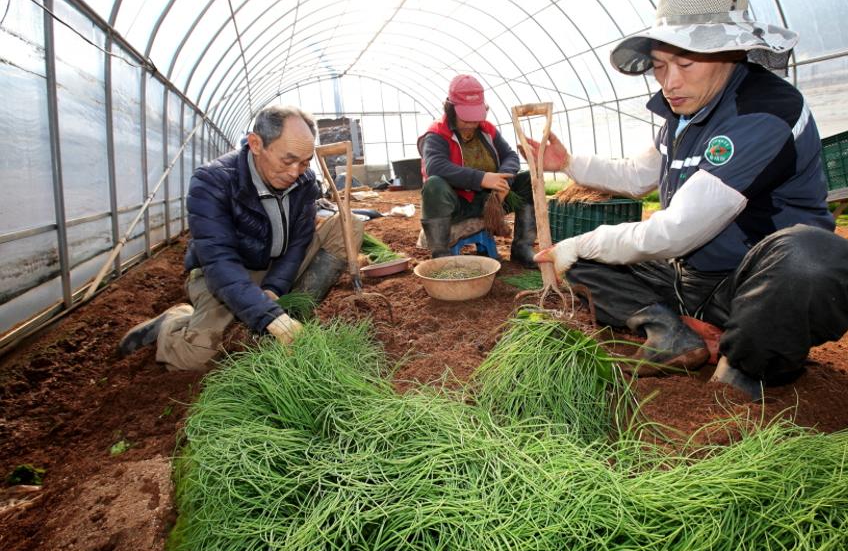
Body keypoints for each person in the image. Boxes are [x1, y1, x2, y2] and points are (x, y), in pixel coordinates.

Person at [526, 0, 848, 400]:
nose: (670, 82)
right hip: (687, 278)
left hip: (751, 287)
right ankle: (671, 332)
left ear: (729, 52)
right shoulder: (684, 115)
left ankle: (742, 368)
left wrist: (584, 241)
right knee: (581, 263)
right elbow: (638, 176)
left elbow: (677, 230)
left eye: (685, 63)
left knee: (813, 258)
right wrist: (568, 163)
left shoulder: (763, 112)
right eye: (659, 67)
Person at [117, 105, 363, 371]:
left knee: (350, 223)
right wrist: (268, 313)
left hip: (275, 265)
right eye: (288, 160)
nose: (296, 172)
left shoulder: (303, 181)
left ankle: (293, 313)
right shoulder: (212, 182)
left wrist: (273, 290)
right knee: (195, 358)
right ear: (256, 144)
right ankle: (174, 322)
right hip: (226, 276)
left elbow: (297, 244)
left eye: (304, 162)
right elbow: (219, 263)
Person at [418, 74, 537, 266]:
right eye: (466, 118)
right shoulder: (437, 133)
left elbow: (510, 156)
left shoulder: (487, 129)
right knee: (434, 185)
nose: (472, 123)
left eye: (476, 117)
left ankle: (522, 247)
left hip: (491, 200)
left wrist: (503, 180)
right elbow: (435, 166)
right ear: (451, 109)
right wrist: (481, 178)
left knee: (529, 180)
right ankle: (441, 256)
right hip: (457, 206)